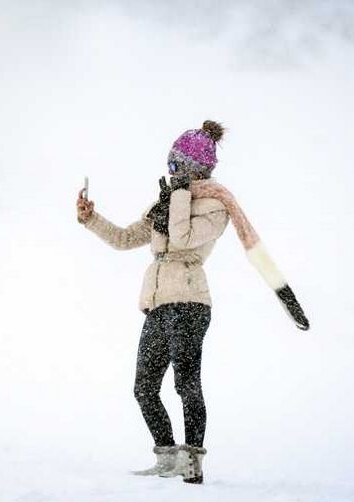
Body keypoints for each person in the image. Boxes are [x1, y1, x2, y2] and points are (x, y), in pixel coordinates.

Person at [77, 120, 309, 484]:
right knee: (144, 388)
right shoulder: (166, 202)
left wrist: (181, 193)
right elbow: (124, 239)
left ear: (190, 168)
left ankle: (192, 465)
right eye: (169, 163)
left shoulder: (215, 207)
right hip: (157, 304)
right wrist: (90, 219)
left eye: (174, 165)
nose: (169, 171)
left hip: (190, 304)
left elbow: (183, 239)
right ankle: (167, 457)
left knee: (186, 383)